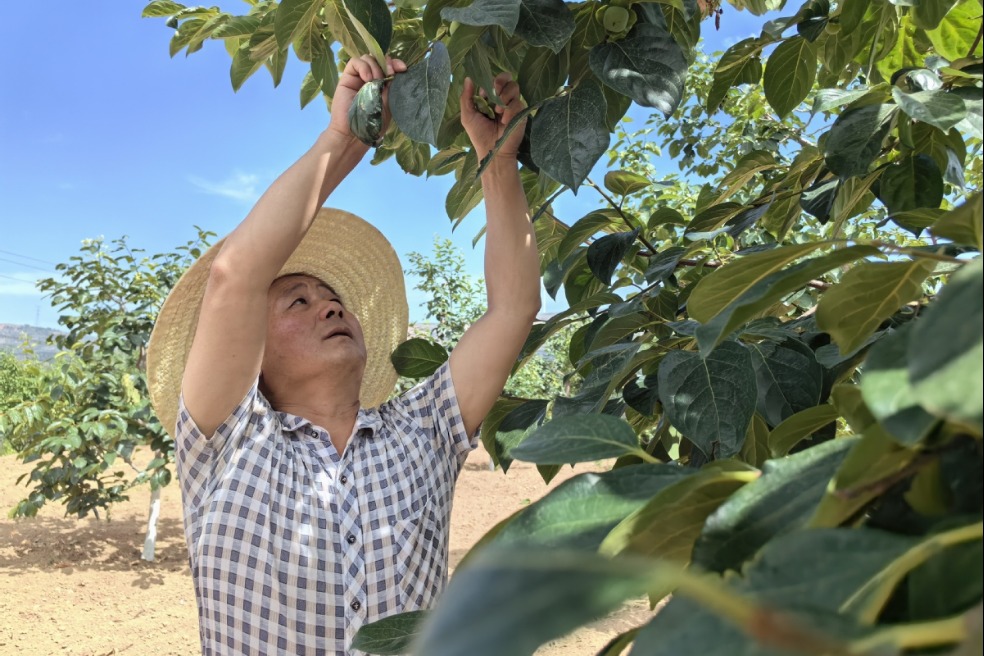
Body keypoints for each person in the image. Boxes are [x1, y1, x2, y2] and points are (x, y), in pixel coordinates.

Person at [145, 52, 540, 656]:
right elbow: (235, 275)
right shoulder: (227, 444)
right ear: (250, 348)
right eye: (297, 302)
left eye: (333, 299)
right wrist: (342, 139)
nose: (330, 307)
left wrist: (498, 162)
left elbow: (512, 309)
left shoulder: (423, 433)